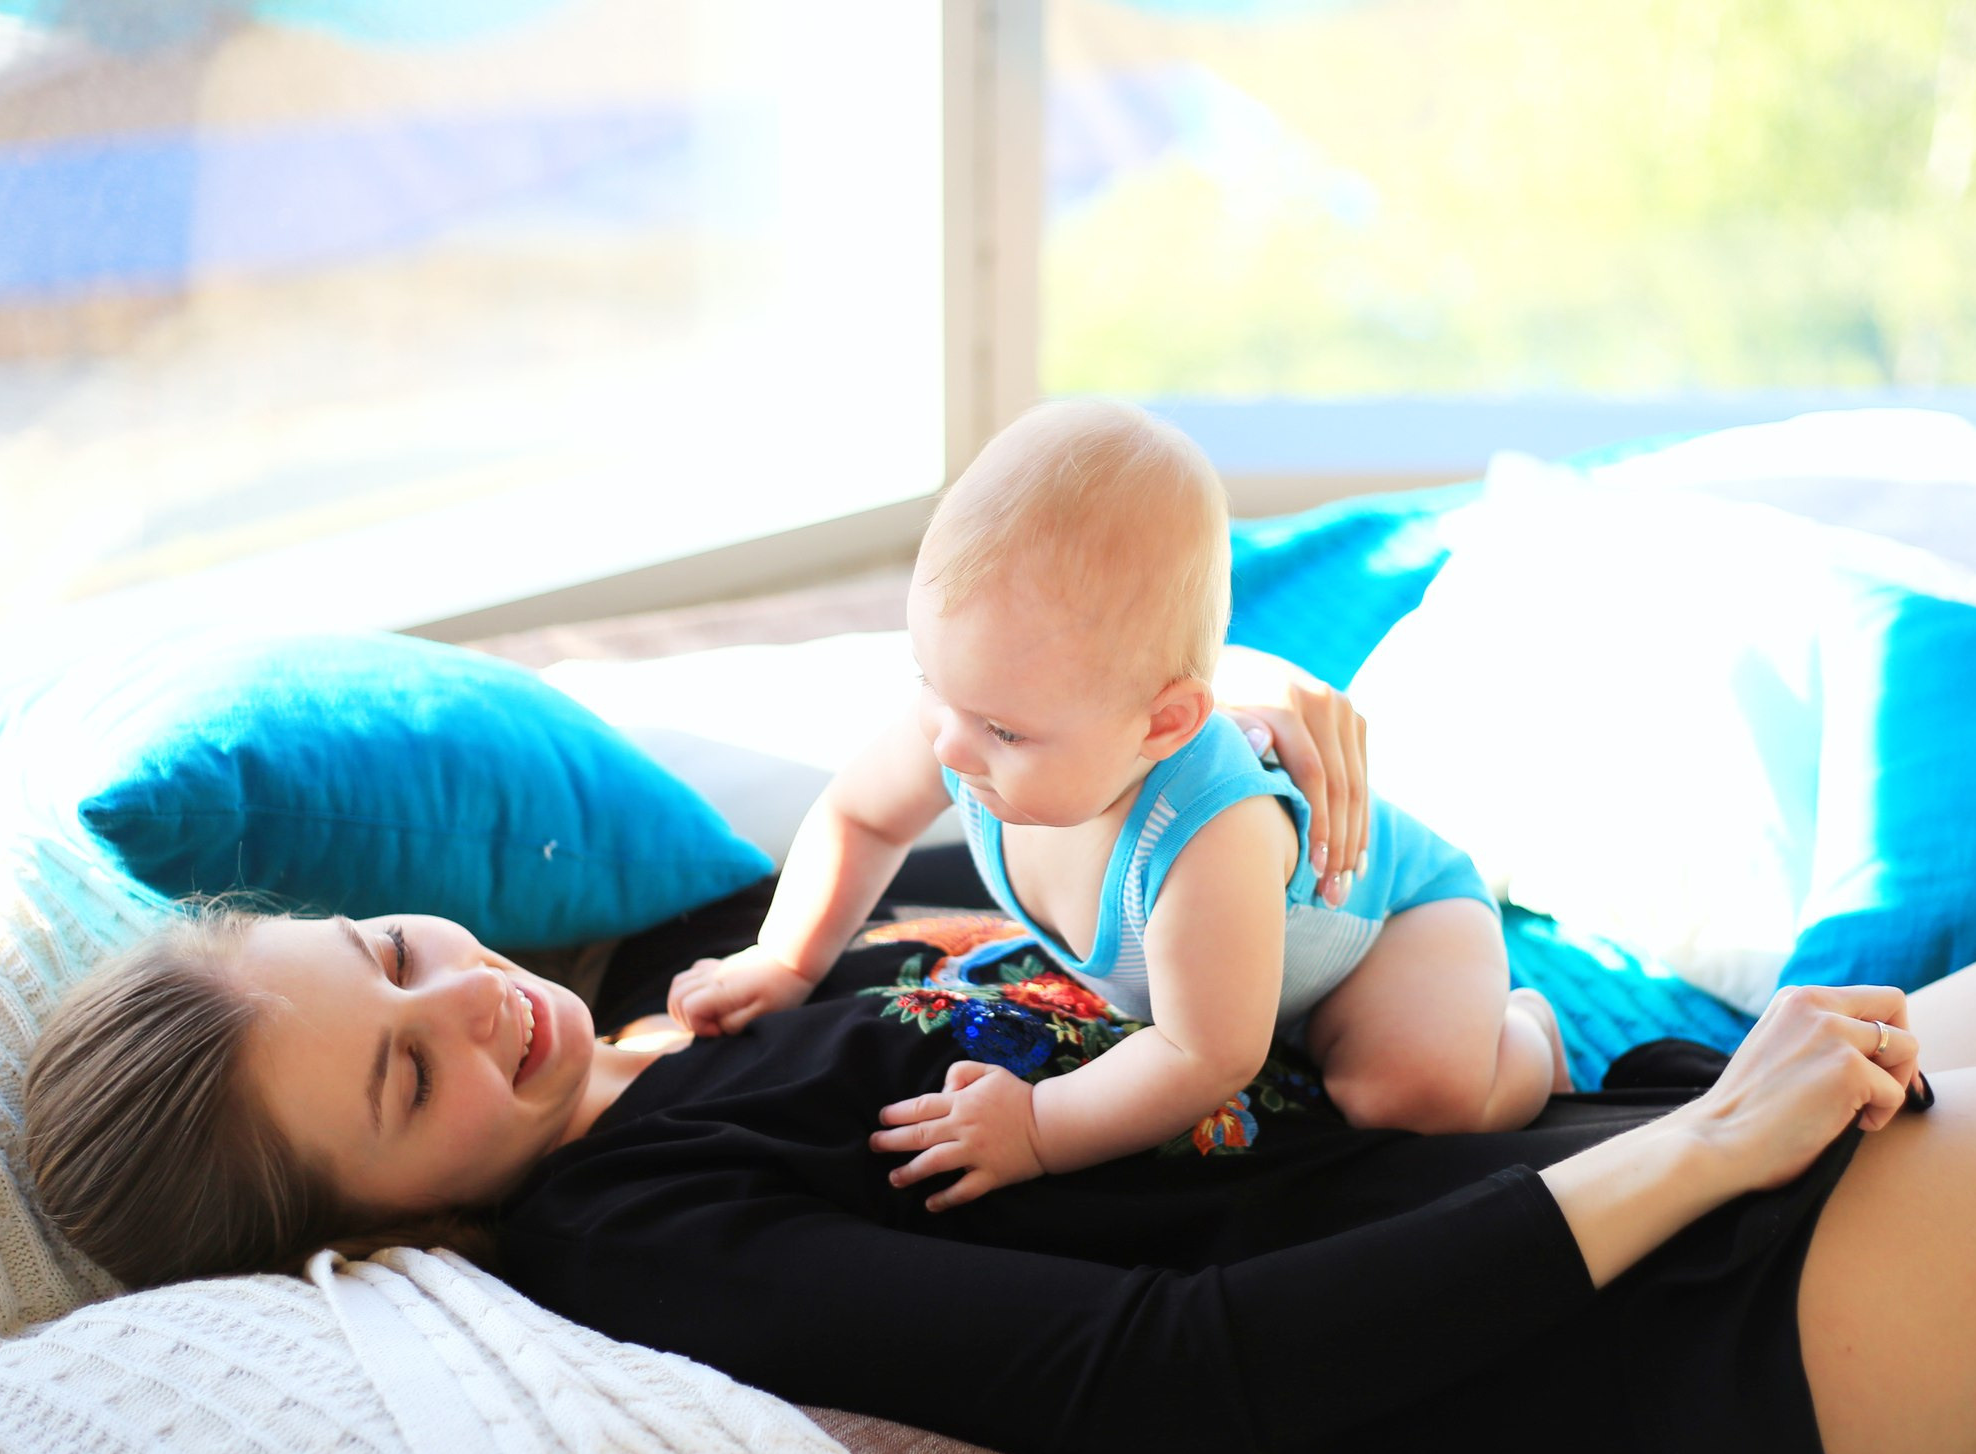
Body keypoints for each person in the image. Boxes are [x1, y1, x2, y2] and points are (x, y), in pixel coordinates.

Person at [19, 663, 1976, 1454]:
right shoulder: (643, 1226)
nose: (473, 1010)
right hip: (1665, 1342)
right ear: (381, 1226)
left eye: (395, 956)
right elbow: (1190, 1358)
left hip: (1620, 1143)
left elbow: (1037, 843)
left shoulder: (680, 983)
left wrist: (1234, 744)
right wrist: (1699, 1152)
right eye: (407, 1082)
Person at [662, 400, 1569, 1212]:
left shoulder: (1211, 836)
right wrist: (784, 958)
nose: (948, 746)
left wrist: (1040, 1127)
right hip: (1239, 973)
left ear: (1163, 725)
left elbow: (1205, 1055)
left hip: (1401, 927)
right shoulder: (966, 717)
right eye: (930, 682)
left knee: (1403, 1098)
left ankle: (1529, 1033)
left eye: (1004, 730)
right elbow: (861, 816)